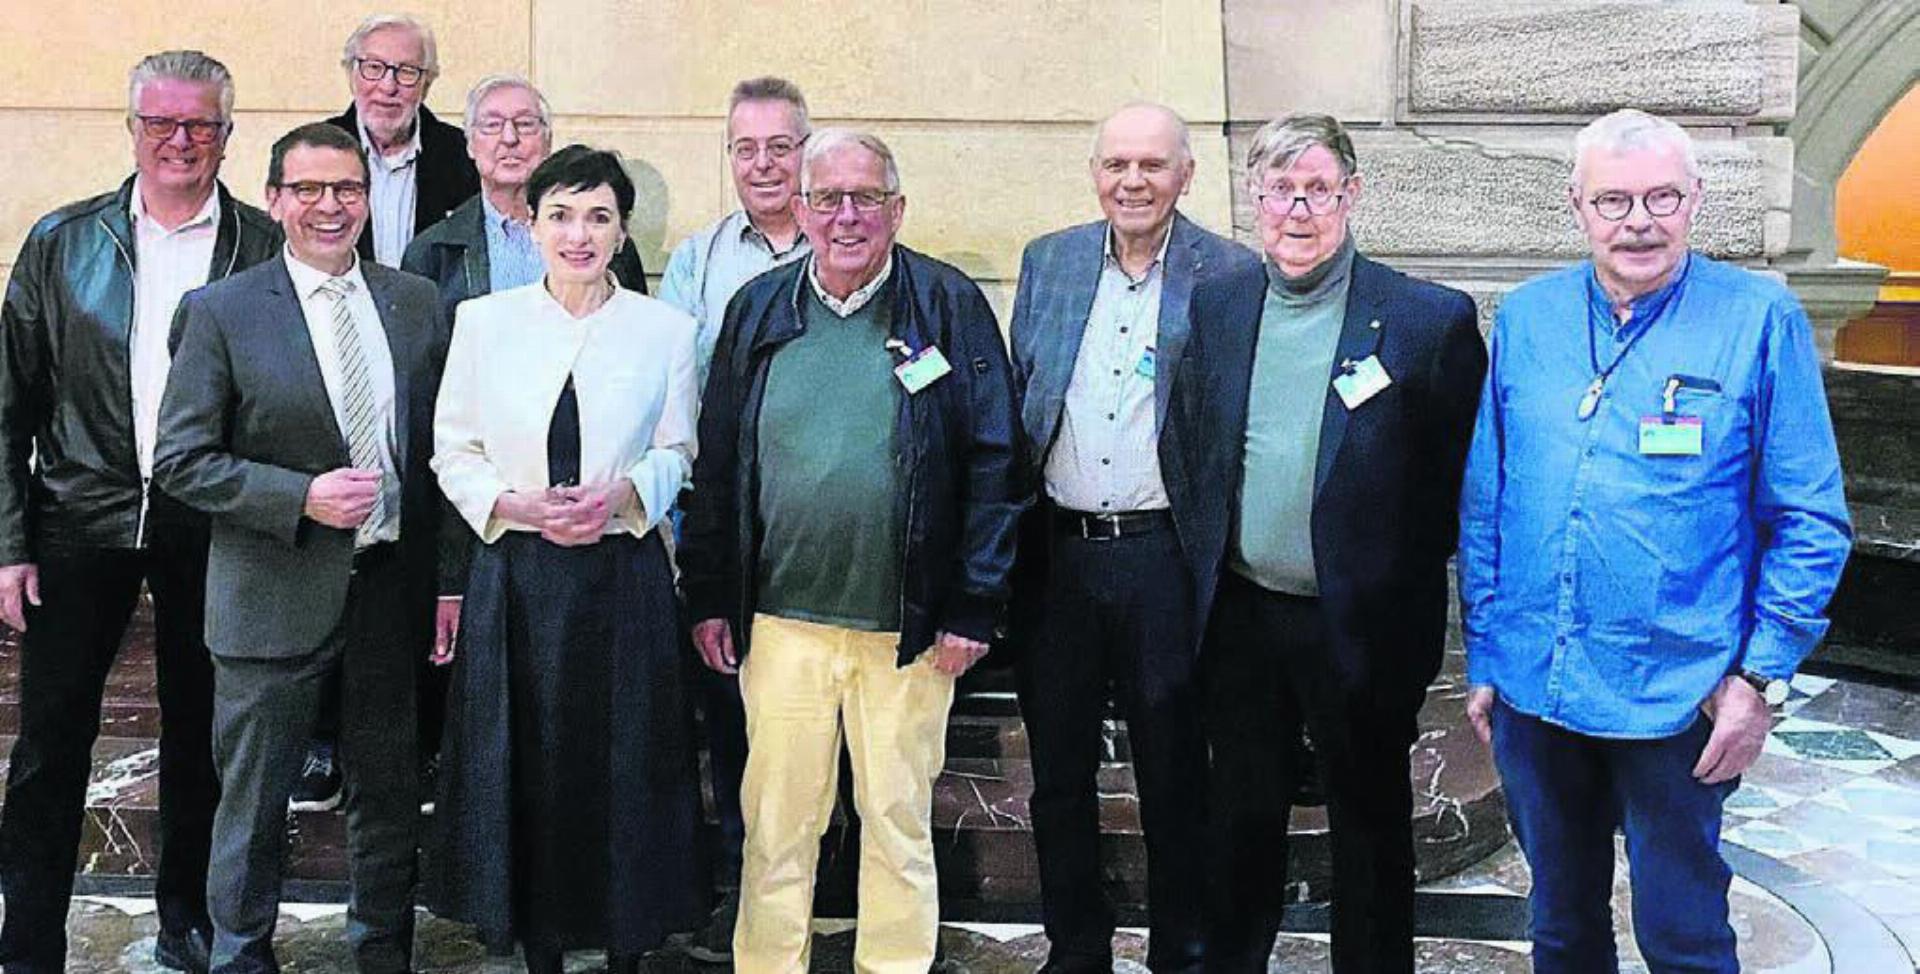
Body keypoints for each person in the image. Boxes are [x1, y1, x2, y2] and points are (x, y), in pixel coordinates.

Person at [1457, 108, 1852, 974]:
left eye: (1662, 196)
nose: (1638, 220)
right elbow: (1490, 500)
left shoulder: (1757, 320)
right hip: (1537, 682)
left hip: (1682, 694)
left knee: (1682, 935)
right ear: (1578, 207)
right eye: (1613, 200)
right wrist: (1486, 650)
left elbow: (1812, 520)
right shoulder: (1527, 320)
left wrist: (1760, 680)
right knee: (1560, 928)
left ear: (1695, 200)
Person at [680, 128, 1021, 974]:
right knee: (777, 822)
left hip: (906, 629)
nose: (845, 216)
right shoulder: (757, 309)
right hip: (780, 622)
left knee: (897, 818)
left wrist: (975, 603)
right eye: (826, 197)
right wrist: (710, 592)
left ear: (897, 210)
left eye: (866, 197)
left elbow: (995, 458)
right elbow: (717, 459)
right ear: (798, 209)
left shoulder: (948, 304)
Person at [1183, 113, 1486, 974]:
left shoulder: (1426, 320)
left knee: (1370, 825)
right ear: (1255, 201)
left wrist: (1383, 569)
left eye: (1318, 188)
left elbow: (1455, 483)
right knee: (1241, 818)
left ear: (1351, 196)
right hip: (1243, 618)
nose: (1299, 208)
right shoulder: (1221, 303)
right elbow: (1196, 445)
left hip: (1360, 626)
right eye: (1281, 189)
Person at [0, 49, 278, 974]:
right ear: (132, 130)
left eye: (200, 124)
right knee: (49, 742)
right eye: (161, 122)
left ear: (228, 136)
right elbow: (10, 405)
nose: (180, 141)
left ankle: (187, 920)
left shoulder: (263, 245)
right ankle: (29, 934)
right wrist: (8, 544)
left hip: (214, 521)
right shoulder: (62, 242)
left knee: (202, 733)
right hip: (79, 519)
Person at [154, 121, 446, 974]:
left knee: (387, 793)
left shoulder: (416, 303)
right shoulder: (222, 311)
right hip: (270, 590)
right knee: (251, 799)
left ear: (368, 198)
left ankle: (383, 950)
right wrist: (299, 496)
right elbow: (179, 459)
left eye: (348, 189)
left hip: (388, 588)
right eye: (310, 189)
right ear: (275, 198)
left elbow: (435, 451)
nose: (330, 206)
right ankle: (242, 953)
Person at [428, 144, 708, 974]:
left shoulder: (666, 330)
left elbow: (680, 450)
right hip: (517, 573)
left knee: (628, 757)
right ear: (531, 222)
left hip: (622, 575)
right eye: (560, 215)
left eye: (598, 217)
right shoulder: (485, 322)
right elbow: (453, 448)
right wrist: (512, 506)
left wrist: (621, 499)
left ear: (623, 231)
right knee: (528, 755)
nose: (578, 235)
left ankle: (628, 939)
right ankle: (538, 943)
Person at [1007, 102, 1255, 974]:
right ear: (1095, 174)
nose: (1133, 181)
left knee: (1174, 770)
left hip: (1164, 560)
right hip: (1059, 557)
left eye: (1152, 165)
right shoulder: (1051, 262)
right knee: (1059, 775)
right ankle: (1076, 949)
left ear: (1186, 174)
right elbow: (1022, 400)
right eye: (1117, 165)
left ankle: (1182, 950)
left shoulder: (1228, 274)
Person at [399, 74, 647, 812]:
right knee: (490, 725)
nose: (510, 139)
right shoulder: (433, 255)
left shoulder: (603, 251)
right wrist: (449, 573)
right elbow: (437, 432)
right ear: (469, 145)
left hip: (592, 528)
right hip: (488, 530)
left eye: (527, 125)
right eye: (493, 126)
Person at [654, 73, 811, 963]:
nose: (763, 164)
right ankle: (741, 897)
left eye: (780, 146)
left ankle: (827, 893)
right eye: (746, 148)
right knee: (734, 721)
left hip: (827, 525)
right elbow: (676, 392)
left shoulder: (851, 236)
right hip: (728, 526)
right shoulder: (699, 260)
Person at [324, 13, 479, 269]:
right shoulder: (316, 151)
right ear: (351, 74)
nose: (388, 86)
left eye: (407, 72)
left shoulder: (462, 154)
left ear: (426, 84)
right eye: (373, 67)